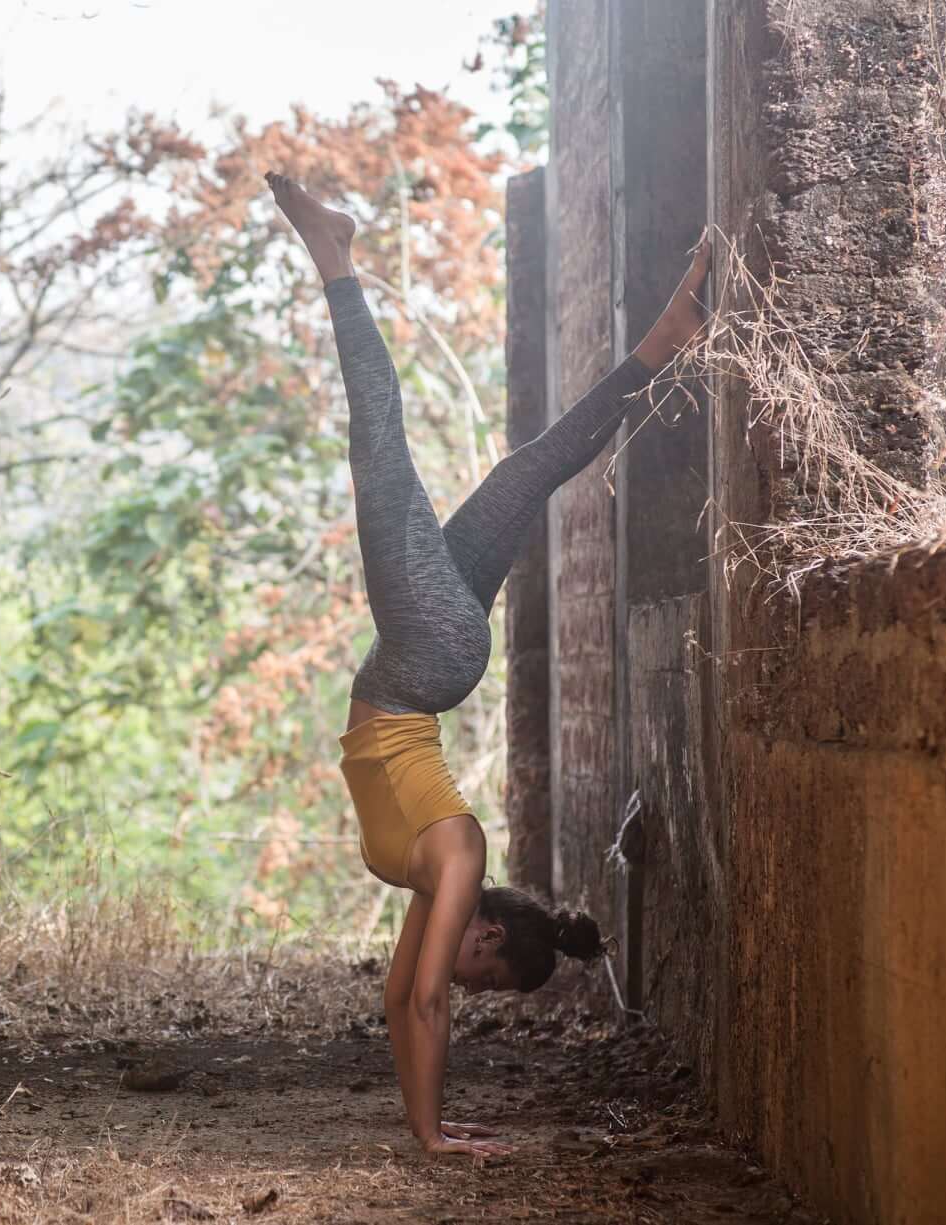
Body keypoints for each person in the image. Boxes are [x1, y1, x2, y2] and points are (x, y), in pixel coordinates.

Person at [264, 171, 710, 1158]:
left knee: (523, 472)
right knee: (379, 452)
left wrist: (426, 1124)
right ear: (490, 936)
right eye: (490, 978)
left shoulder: (439, 879)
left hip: (424, 655)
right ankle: (334, 254)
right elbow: (428, 1001)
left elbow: (399, 998)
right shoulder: (457, 854)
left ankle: (663, 340)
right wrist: (434, 1140)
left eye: (483, 991)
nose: (469, 986)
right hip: (426, 655)